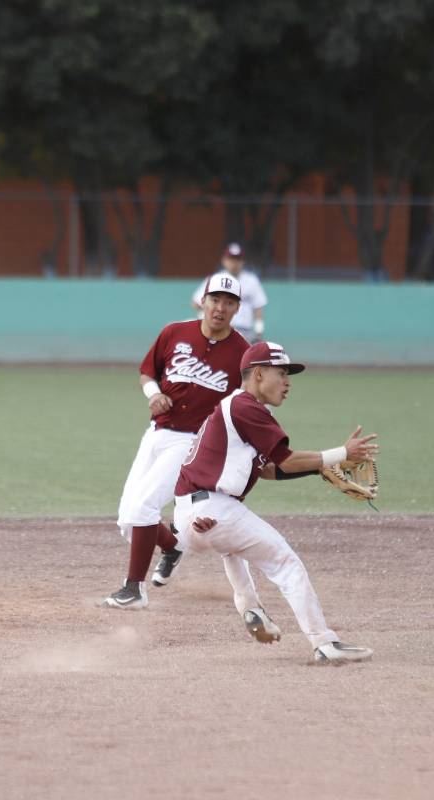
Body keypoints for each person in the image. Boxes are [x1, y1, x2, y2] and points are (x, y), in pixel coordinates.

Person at [171, 341, 380, 665]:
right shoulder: (246, 406)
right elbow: (286, 457)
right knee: (284, 562)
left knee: (232, 545)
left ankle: (251, 608)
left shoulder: (235, 411)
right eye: (281, 373)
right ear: (257, 374)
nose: (287, 382)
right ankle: (324, 642)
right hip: (214, 508)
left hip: (189, 517)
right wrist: (340, 454)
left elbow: (269, 469)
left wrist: (317, 468)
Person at [103, 272, 249, 610]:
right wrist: (153, 393)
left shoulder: (242, 353)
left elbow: (245, 405)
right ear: (203, 301)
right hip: (156, 433)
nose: (220, 308)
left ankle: (133, 589)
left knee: (144, 508)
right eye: (215, 300)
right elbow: (147, 371)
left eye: (229, 303)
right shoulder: (175, 332)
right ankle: (172, 546)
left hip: (193, 443)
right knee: (129, 520)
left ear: (237, 308)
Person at [191, 243, 269, 342]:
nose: (234, 263)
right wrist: (206, 317)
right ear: (224, 261)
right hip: (219, 330)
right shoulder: (215, 279)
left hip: (244, 331)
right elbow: (196, 302)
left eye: (237, 260)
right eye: (231, 259)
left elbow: (258, 307)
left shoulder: (251, 280)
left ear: (242, 262)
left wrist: (259, 330)